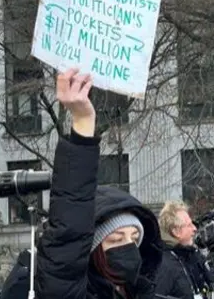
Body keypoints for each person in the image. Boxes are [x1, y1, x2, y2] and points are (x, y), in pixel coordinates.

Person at [35, 68, 163, 299]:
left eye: (134, 238)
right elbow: (70, 225)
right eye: (115, 239)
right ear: (91, 249)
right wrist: (83, 122)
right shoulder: (71, 291)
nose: (127, 247)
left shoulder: (143, 292)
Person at [155, 201, 214, 299]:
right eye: (189, 225)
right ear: (176, 231)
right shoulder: (164, 265)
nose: (194, 229)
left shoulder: (188, 256)